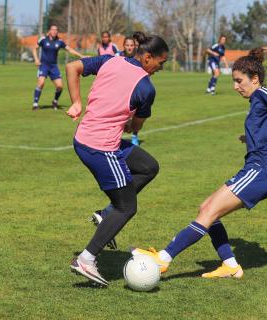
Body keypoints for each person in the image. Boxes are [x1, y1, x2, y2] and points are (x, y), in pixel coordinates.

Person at [132, 48, 267, 279]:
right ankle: (230, 265)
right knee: (207, 208)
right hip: (258, 167)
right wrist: (249, 138)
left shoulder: (264, 92)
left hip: (262, 170)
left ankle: (163, 259)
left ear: (254, 79)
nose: (236, 86)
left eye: (239, 81)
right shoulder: (257, 99)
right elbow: (266, 128)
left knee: (209, 211)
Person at [66, 32, 169, 286]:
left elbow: (72, 67)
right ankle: (86, 259)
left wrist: (77, 102)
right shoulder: (145, 87)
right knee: (127, 207)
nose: (161, 68)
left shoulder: (110, 60)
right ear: (147, 57)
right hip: (100, 147)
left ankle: (106, 214)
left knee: (148, 167)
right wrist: (132, 122)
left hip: (88, 137)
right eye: (160, 62)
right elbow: (136, 127)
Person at [32, 24, 83, 111]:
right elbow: (34, 48)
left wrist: (81, 55)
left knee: (60, 86)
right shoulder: (43, 39)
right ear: (49, 31)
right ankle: (35, 103)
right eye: (53, 29)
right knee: (41, 83)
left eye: (56, 30)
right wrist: (36, 59)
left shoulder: (59, 41)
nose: (54, 31)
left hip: (53, 67)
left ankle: (55, 101)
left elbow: (69, 49)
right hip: (43, 65)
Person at [119, 35, 141, 146]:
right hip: (121, 91)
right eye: (127, 45)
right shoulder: (118, 56)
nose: (129, 47)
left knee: (135, 115)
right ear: (123, 46)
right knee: (120, 115)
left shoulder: (138, 58)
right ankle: (116, 138)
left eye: (131, 45)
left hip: (135, 91)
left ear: (134, 46)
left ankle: (135, 136)